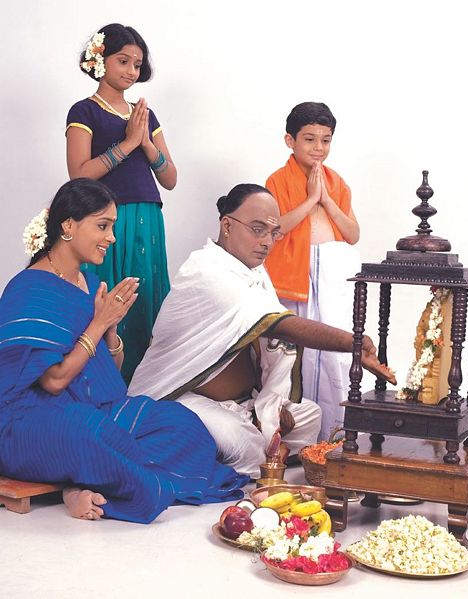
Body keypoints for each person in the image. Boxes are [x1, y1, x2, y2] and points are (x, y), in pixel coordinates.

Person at [0, 179, 247, 524]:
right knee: (91, 434)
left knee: (183, 425)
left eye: (112, 227)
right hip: (32, 420)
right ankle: (80, 488)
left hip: (94, 408)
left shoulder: (86, 280)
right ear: (68, 225)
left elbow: (107, 373)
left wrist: (111, 331)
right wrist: (99, 322)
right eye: (103, 226)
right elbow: (54, 381)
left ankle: (82, 480)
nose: (111, 237)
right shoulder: (29, 288)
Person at [129, 184, 390, 479]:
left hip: (242, 402)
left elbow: (268, 347)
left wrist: (269, 405)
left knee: (309, 415)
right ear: (227, 225)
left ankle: (262, 445)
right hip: (179, 398)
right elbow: (282, 325)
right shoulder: (206, 272)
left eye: (273, 232)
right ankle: (251, 454)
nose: (267, 242)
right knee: (246, 446)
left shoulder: (253, 271)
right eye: (257, 229)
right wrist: (353, 342)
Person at [66, 24, 177, 383]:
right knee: (107, 295)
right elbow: (79, 175)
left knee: (146, 299)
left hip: (148, 216)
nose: (131, 71)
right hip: (106, 219)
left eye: (137, 64)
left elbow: (170, 178)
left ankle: (148, 385)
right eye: (123, 61)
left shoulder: (145, 114)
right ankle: (105, 382)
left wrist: (144, 143)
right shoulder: (84, 112)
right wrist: (128, 144)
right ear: (100, 60)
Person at [265, 102, 361, 439]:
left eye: (325, 140)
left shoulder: (336, 183)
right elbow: (274, 229)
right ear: (290, 141)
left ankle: (336, 433)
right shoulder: (278, 181)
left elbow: (352, 234)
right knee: (292, 357)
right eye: (309, 139)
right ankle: (299, 436)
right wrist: (308, 200)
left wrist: (325, 199)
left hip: (331, 275)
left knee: (333, 355)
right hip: (295, 278)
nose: (318, 148)